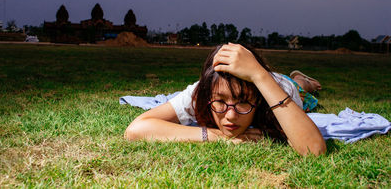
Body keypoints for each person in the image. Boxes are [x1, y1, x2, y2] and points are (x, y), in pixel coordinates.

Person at [125, 43, 326, 156]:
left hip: (286, 83)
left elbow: (314, 150)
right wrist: (214, 135)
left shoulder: (277, 91)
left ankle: (303, 79)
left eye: (244, 102)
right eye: (220, 102)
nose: (230, 116)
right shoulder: (203, 91)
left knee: (303, 92)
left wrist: (260, 75)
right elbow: (135, 130)